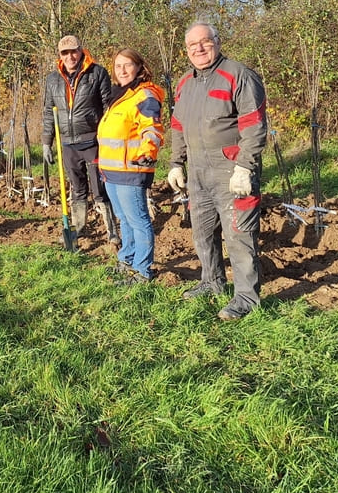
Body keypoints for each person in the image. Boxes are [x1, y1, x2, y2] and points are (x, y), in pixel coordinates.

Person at [168, 21, 268, 320]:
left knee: (239, 234)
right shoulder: (185, 83)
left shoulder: (238, 75)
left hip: (231, 169)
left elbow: (254, 125)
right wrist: (176, 162)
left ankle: (247, 298)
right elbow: (178, 126)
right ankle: (211, 282)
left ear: (217, 41)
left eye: (205, 42)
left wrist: (244, 167)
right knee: (202, 232)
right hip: (198, 171)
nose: (198, 48)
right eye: (191, 45)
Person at [41, 34, 118, 243]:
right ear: (60, 55)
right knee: (77, 189)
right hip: (67, 143)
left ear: (81, 50)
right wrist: (46, 142)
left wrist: (107, 137)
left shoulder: (97, 73)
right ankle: (79, 227)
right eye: (65, 53)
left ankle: (112, 230)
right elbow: (49, 111)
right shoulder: (53, 79)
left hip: (92, 140)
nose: (70, 56)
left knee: (100, 188)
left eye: (73, 51)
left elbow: (106, 107)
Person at [97, 48, 165, 284]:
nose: (122, 70)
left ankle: (142, 271)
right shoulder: (120, 95)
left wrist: (148, 151)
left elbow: (152, 127)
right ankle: (127, 260)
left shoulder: (144, 94)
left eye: (127, 65)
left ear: (139, 67)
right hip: (112, 171)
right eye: (118, 66)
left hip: (132, 169)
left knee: (138, 220)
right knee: (124, 219)